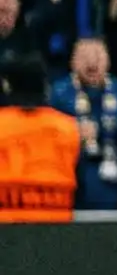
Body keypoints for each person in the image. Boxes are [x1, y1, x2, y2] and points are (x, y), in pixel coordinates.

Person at [49, 36, 117, 211]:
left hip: (115, 172)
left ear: (108, 61)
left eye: (98, 56)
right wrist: (73, 134)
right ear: (73, 62)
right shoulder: (60, 92)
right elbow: (48, 136)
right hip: (74, 174)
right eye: (85, 56)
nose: (92, 62)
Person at [0, 53, 79, 223]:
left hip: (6, 230)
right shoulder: (68, 127)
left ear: (7, 86)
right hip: (57, 228)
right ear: (46, 87)